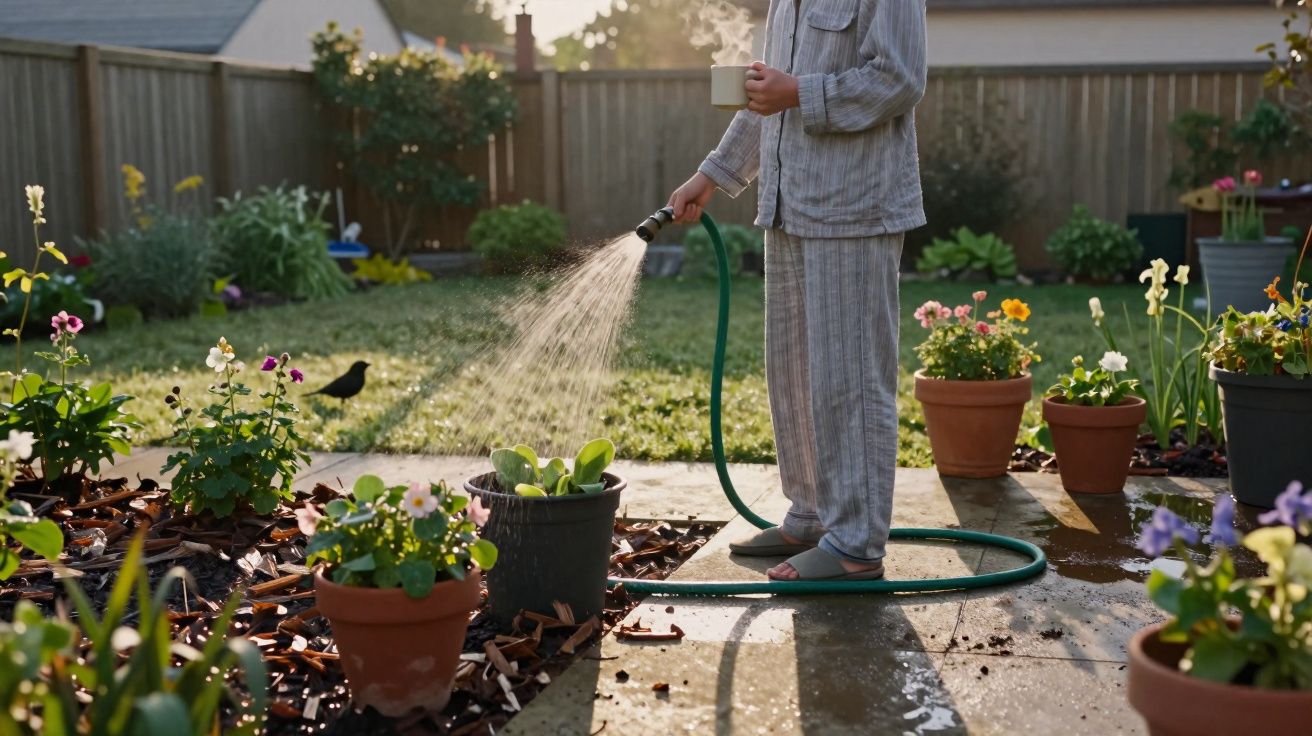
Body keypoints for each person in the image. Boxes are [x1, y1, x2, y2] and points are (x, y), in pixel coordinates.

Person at [667, 0, 928, 581]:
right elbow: (767, 99)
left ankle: (856, 545)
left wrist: (800, 93)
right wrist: (709, 176)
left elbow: (900, 78)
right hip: (788, 206)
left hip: (855, 207)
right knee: (794, 374)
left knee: (850, 377)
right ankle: (812, 515)